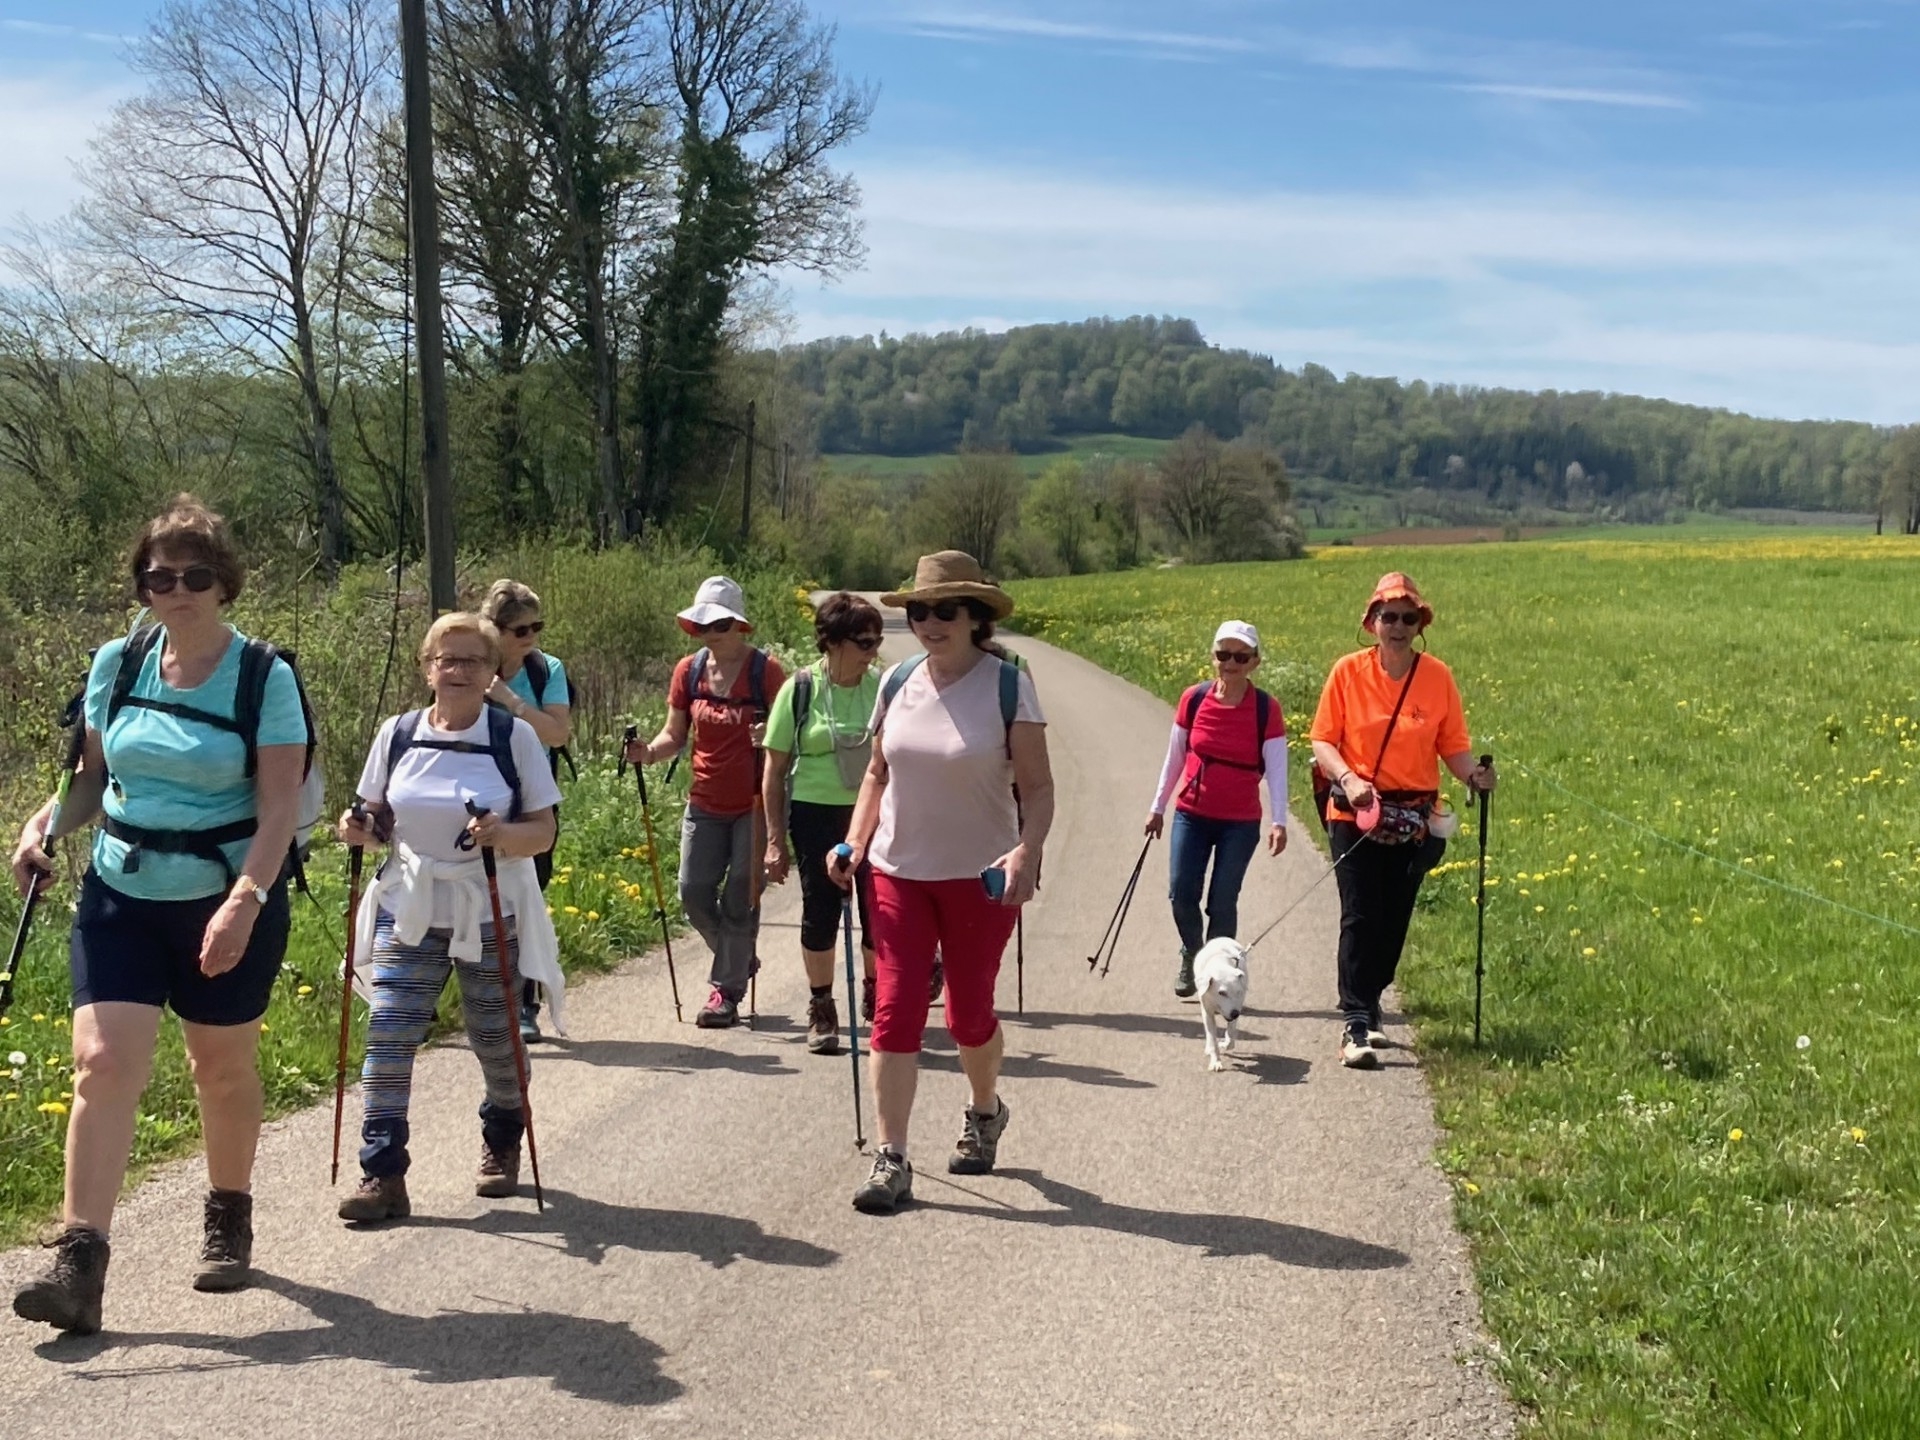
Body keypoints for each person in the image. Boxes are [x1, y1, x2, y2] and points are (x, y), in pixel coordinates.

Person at [9, 496, 304, 1335]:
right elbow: (90, 783)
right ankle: (79, 1261)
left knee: (220, 1066)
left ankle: (228, 1208)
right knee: (101, 1063)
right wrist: (44, 823)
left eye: (195, 574)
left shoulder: (264, 676)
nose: (177, 589)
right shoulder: (119, 661)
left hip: (227, 892)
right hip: (122, 891)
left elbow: (278, 808)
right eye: (159, 575)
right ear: (141, 585)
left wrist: (244, 903)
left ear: (224, 584)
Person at [830, 551, 1054, 1215]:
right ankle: (892, 1157)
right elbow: (877, 774)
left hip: (980, 877)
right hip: (898, 873)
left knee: (967, 1015)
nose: (929, 622)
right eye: (920, 610)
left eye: (945, 610)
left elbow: (1038, 787)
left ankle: (985, 1111)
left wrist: (1027, 849)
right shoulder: (898, 681)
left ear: (975, 617)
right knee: (894, 1010)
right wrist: (854, 840)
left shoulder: (1008, 685)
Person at [334, 612, 565, 1222]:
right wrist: (357, 828)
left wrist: (501, 832)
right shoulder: (400, 732)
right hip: (410, 904)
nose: (458, 670)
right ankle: (381, 1173)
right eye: (447, 659)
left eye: (473, 661)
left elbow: (543, 832)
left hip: (489, 906)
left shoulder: (512, 736)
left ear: (492, 672)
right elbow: (375, 815)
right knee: (388, 1034)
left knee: (494, 1037)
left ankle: (502, 1135)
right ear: (427, 666)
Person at [1309, 573, 1495, 1070]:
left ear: (1419, 625)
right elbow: (1322, 740)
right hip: (1356, 808)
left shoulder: (1437, 677)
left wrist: (1473, 777)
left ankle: (1370, 1002)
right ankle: (1353, 1021)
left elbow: (1452, 747)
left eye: (1407, 618)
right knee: (1359, 912)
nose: (1396, 625)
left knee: (1394, 918)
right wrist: (1347, 779)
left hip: (1414, 817)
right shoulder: (1347, 673)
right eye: (1387, 616)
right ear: (1371, 622)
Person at [625, 577, 785, 1029]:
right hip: (705, 801)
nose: (709, 630)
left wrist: (769, 734)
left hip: (755, 801)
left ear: (737, 624)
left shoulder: (765, 672)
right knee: (692, 892)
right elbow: (674, 735)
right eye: (702, 622)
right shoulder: (689, 671)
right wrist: (648, 754)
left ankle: (725, 993)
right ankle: (737, 960)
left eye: (718, 622)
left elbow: (791, 733)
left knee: (740, 895)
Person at [761, 592, 883, 1054]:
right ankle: (822, 1007)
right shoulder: (801, 688)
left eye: (875, 641)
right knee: (820, 914)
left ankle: (876, 993)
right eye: (864, 641)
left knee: (877, 913)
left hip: (873, 814)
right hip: (813, 812)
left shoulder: (882, 687)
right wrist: (774, 839)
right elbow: (773, 768)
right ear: (832, 642)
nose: (873, 650)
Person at [1145, 620, 1288, 998]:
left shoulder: (1265, 709)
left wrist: (1279, 820)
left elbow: (1276, 768)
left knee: (1223, 900)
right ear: (1213, 657)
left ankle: (1219, 970)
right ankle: (1194, 952)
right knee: (1181, 893)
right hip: (1191, 812)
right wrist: (1157, 807)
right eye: (1223, 654)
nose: (1231, 662)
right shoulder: (1194, 699)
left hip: (1239, 822)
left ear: (1254, 662)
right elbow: (1174, 758)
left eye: (1241, 656)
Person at [481, 578, 573, 1043]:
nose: (531, 637)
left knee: (527, 903)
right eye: (520, 630)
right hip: (476, 798)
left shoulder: (545, 670)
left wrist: (510, 701)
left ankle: (524, 1005)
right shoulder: (471, 666)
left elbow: (558, 733)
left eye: (537, 626)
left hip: (532, 803)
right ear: (493, 629)